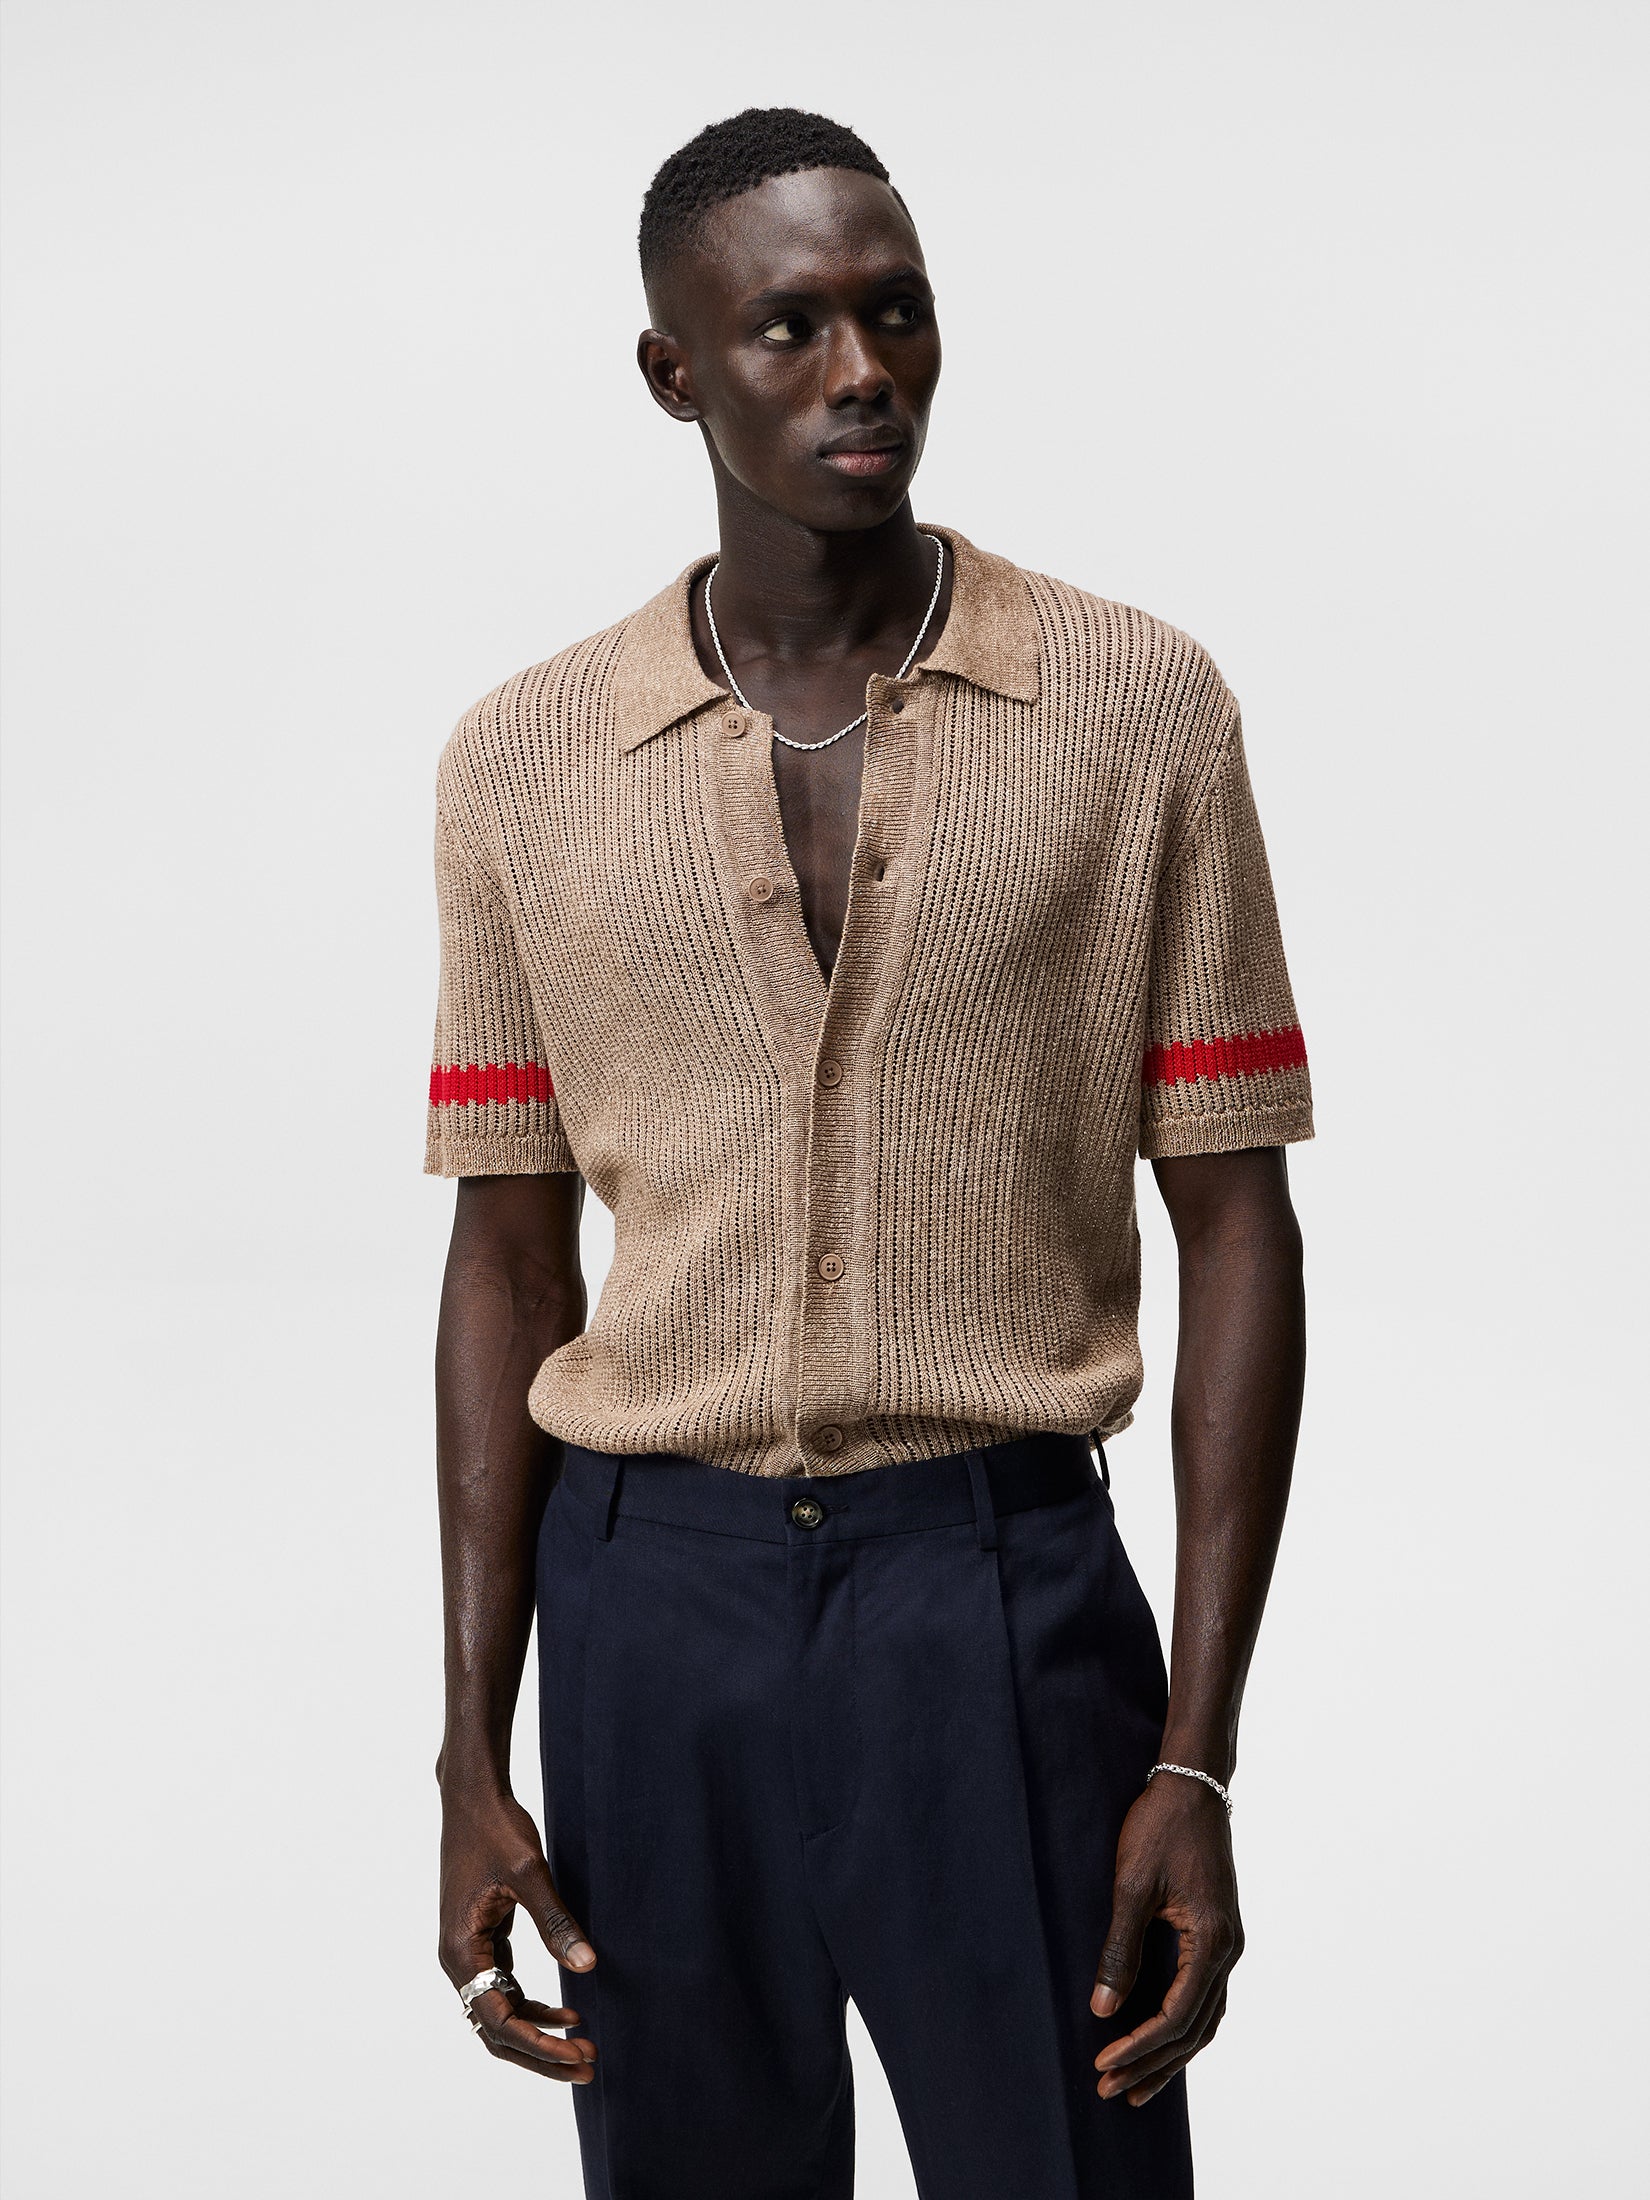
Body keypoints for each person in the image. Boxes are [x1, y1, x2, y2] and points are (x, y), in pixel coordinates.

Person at [427, 105, 1311, 2200]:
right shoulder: (524, 761)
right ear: (674, 371)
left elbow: (1238, 1223)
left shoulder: (1136, 708)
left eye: (895, 314)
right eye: (790, 328)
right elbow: (509, 1262)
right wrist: (471, 1742)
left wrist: (1195, 1748)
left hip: (997, 1593)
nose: (860, 372)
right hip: (648, 1614)